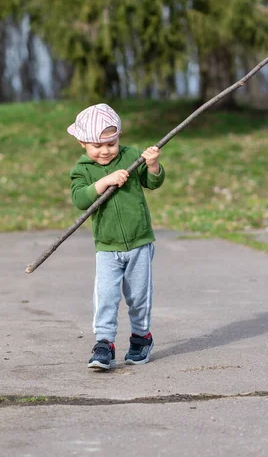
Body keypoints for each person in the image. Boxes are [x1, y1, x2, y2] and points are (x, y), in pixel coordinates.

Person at [68, 103, 165, 370]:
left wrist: (153, 165)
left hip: (139, 242)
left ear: (119, 136)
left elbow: (153, 182)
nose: (105, 151)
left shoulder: (131, 156)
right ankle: (104, 344)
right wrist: (104, 182)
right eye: (97, 146)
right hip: (107, 246)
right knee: (106, 295)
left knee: (139, 296)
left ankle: (141, 337)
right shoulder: (82, 168)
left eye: (111, 143)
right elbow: (79, 198)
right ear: (81, 142)